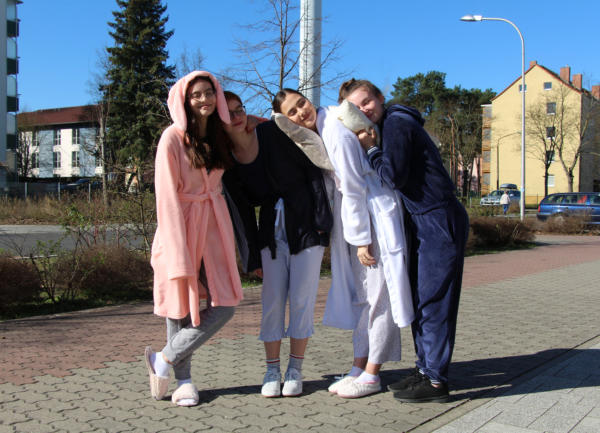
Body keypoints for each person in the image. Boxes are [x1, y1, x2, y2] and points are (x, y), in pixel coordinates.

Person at [272, 88, 414, 398]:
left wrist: (362, 240)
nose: (301, 112)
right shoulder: (321, 131)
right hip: (357, 218)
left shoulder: (334, 130)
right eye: (292, 112)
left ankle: (372, 373)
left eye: (301, 103)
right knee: (363, 296)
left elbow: (353, 187)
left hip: (372, 217)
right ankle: (358, 367)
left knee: (378, 295)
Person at [339, 78, 469, 403]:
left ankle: (436, 381)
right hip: (423, 219)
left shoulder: (396, 123)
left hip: (437, 217)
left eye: (367, 101)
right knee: (422, 298)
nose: (364, 109)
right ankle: (425, 370)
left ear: (380, 97)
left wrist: (371, 150)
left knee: (434, 301)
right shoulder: (389, 124)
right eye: (356, 107)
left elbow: (394, 176)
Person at [222, 91, 332, 398]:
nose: (237, 116)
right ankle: (272, 369)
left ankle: (295, 369)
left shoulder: (272, 131)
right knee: (271, 302)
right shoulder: (228, 161)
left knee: (301, 300)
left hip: (307, 225)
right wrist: (252, 257)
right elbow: (241, 211)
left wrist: (322, 221)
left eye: (239, 109)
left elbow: (312, 170)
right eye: (229, 113)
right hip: (270, 231)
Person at [144, 71, 243, 407]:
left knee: (225, 305)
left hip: (214, 227)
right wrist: (177, 251)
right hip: (181, 227)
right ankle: (184, 381)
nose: (204, 100)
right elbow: (165, 197)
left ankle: (163, 359)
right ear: (184, 100)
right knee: (180, 307)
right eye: (196, 94)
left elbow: (249, 135)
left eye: (209, 93)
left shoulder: (219, 135)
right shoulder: (172, 138)